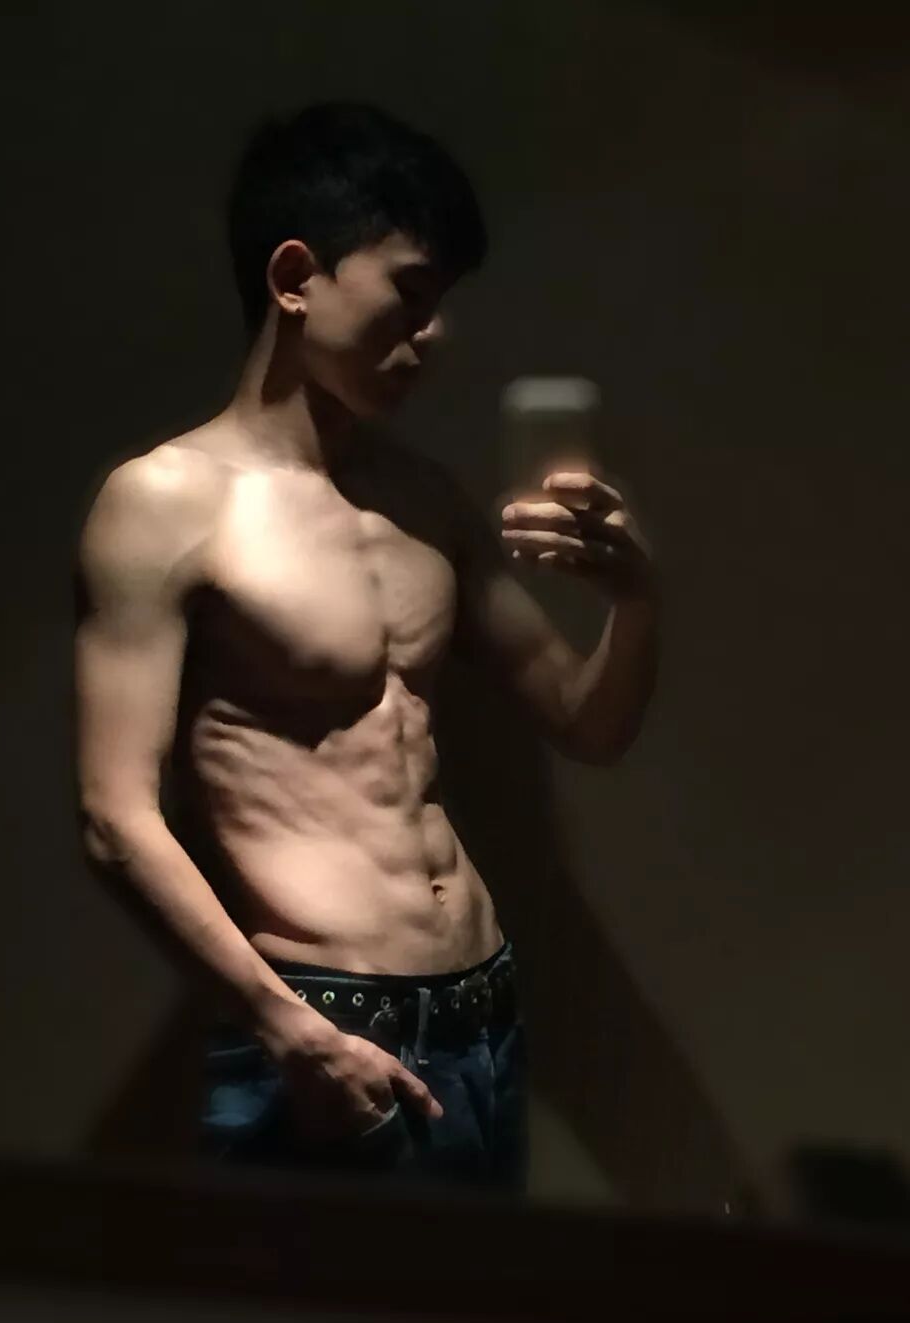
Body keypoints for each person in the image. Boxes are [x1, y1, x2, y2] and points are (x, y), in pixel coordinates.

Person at [74, 101, 660, 1193]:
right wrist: (288, 1031)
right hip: (324, 1024)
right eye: (411, 292)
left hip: (482, 1009)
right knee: (326, 1311)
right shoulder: (164, 504)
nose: (434, 334)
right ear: (296, 276)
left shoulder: (424, 500)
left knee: (483, 1305)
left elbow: (588, 721)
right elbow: (116, 818)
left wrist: (635, 598)